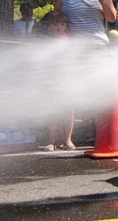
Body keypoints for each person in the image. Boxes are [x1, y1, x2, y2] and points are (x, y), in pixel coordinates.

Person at [39, 11, 75, 151]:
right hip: (51, 79)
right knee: (53, 109)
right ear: (49, 26)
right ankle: (52, 140)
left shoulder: (70, 40)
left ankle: (67, 139)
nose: (59, 27)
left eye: (62, 24)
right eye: (55, 24)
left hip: (67, 78)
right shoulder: (46, 41)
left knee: (68, 109)